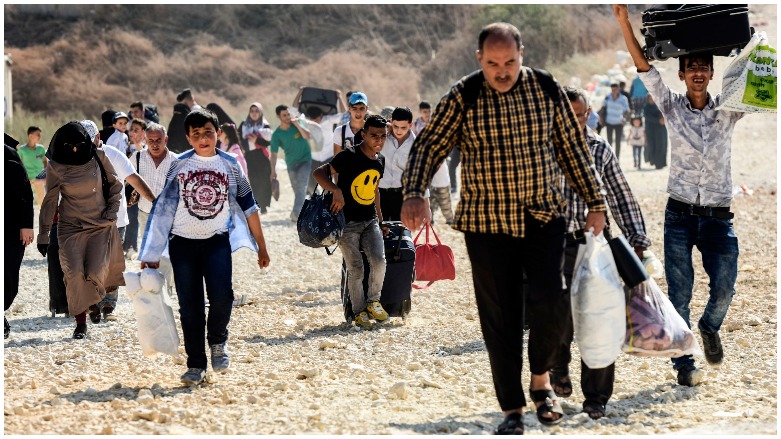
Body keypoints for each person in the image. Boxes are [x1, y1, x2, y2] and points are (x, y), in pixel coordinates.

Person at [400, 22, 607, 434]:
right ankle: (513, 408)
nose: (502, 71)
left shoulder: (546, 89)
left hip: (542, 216)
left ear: (522, 55)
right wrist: (414, 191)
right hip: (486, 223)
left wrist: (596, 201)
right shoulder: (464, 95)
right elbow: (429, 145)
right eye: (493, 63)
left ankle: (541, 381)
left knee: (552, 303)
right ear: (480, 59)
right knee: (501, 317)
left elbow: (572, 149)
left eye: (510, 61)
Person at [614, 4, 748, 387]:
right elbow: (644, 68)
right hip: (679, 216)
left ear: (711, 72)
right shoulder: (671, 107)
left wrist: (755, 44)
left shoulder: (729, 109)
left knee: (725, 288)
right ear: (683, 73)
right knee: (679, 293)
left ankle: (709, 327)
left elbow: (760, 79)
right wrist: (624, 23)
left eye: (704, 67)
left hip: (719, 215)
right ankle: (685, 365)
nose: (699, 73)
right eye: (692, 67)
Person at [138, 109, 271, 385]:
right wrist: (151, 253)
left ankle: (218, 342)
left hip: (216, 241)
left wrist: (262, 246)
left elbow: (250, 206)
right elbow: (164, 208)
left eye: (208, 132)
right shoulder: (179, 166)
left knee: (223, 297)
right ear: (188, 137)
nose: (203, 138)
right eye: (196, 134)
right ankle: (195, 364)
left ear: (218, 133)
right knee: (190, 306)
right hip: (182, 244)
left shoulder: (231, 164)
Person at [550, 86, 652, 420]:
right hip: (554, 245)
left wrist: (637, 238)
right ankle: (557, 366)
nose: (575, 122)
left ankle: (596, 397)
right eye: (568, 115)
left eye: (581, 115)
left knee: (600, 319)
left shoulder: (599, 147)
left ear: (590, 112)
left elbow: (621, 195)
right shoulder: (541, 147)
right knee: (558, 317)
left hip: (596, 245)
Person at [37, 121, 125, 339]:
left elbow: (115, 185)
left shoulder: (98, 156)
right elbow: (50, 200)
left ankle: (93, 302)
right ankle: (81, 322)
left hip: (99, 225)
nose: (75, 149)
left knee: (95, 272)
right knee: (74, 273)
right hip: (70, 227)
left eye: (78, 144)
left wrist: (112, 212)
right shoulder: (55, 166)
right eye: (69, 145)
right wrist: (43, 233)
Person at [312, 114, 389, 329]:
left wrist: (381, 221)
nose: (379, 141)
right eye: (374, 136)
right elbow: (318, 173)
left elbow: (374, 191)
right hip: (346, 223)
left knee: (379, 261)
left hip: (370, 221)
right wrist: (336, 190)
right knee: (356, 268)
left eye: (383, 137)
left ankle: (373, 302)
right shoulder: (348, 156)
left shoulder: (380, 160)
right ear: (363, 135)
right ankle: (358, 312)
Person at [79, 120, 155, 321]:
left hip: (116, 220)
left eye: (89, 140)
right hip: (86, 220)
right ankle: (93, 302)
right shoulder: (76, 157)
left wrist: (155, 201)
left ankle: (108, 305)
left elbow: (135, 179)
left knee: (112, 263)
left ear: (98, 138)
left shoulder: (114, 155)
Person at [132, 123, 178, 295]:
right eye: (150, 140)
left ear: (165, 139)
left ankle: (166, 289)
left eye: (158, 140)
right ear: (145, 139)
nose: (154, 144)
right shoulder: (137, 158)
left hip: (169, 216)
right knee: (150, 253)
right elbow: (124, 178)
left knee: (167, 254)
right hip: (145, 213)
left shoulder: (176, 160)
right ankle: (153, 288)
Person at [5, 134, 35, 339]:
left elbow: (25, 192)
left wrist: (26, 225)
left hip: (10, 227)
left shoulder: (7, 154)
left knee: (7, 274)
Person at [270, 104, 313, 223]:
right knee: (298, 189)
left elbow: (308, 136)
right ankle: (315, 204)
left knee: (301, 187)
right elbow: (273, 154)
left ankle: (296, 214)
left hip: (305, 160)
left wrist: (298, 124)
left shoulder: (297, 124)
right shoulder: (277, 134)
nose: (287, 117)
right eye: (284, 115)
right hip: (291, 164)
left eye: (288, 114)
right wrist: (273, 170)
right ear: (279, 117)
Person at [378, 107, 416, 221]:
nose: (399, 131)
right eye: (396, 126)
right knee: (378, 234)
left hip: (402, 196)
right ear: (391, 122)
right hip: (379, 194)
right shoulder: (382, 137)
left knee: (400, 234)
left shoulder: (416, 145)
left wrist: (426, 206)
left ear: (410, 125)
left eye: (403, 127)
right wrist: (382, 130)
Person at [240, 103, 274, 214]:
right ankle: (255, 204)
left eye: (256, 111)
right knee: (253, 181)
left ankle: (263, 205)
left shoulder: (265, 125)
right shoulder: (244, 125)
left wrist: (256, 141)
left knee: (264, 181)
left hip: (262, 157)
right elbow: (240, 140)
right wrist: (252, 142)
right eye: (252, 111)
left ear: (260, 112)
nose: (254, 113)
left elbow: (269, 142)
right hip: (249, 157)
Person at [123, 118, 148, 259]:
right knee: (127, 216)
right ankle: (124, 245)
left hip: (140, 187)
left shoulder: (145, 148)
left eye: (136, 130)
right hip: (127, 187)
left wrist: (139, 146)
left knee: (135, 217)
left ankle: (133, 246)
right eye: (131, 129)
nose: (132, 132)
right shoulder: (124, 144)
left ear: (144, 133)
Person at [17, 126, 47, 205]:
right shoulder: (22, 150)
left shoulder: (41, 149)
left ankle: (43, 216)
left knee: (42, 201)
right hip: (27, 180)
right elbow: (17, 164)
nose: (40, 137)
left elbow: (46, 162)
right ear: (30, 136)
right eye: (38, 135)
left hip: (39, 179)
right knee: (24, 201)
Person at [333, 92, 369, 156]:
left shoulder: (373, 131)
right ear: (349, 109)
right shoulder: (340, 131)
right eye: (354, 108)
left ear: (366, 109)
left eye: (361, 108)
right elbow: (336, 161)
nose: (358, 112)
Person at [602, 82, 630, 160]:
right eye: (612, 89)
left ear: (618, 89)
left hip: (619, 122)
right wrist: (600, 118)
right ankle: (610, 158)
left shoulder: (623, 98)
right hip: (609, 122)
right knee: (609, 141)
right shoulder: (607, 97)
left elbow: (627, 110)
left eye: (615, 89)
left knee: (618, 141)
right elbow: (603, 108)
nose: (613, 91)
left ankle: (617, 158)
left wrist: (625, 119)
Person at [642, 94, 668, 169]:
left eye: (653, 98)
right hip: (651, 130)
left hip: (661, 130)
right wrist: (659, 121)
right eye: (650, 98)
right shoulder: (646, 108)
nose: (652, 100)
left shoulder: (660, 106)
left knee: (661, 146)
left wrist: (663, 120)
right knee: (652, 146)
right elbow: (648, 118)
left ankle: (660, 164)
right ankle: (653, 161)